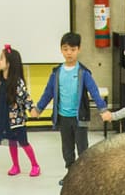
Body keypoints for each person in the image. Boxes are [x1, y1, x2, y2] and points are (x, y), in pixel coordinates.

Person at [32, 32, 106, 175]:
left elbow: (94, 92)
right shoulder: (57, 72)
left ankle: (84, 176)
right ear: (61, 50)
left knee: (82, 148)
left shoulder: (83, 72)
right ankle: (71, 175)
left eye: (72, 49)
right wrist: (39, 108)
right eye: (65, 49)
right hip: (63, 118)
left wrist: (103, 109)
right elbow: (48, 92)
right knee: (67, 149)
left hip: (79, 118)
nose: (69, 53)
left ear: (79, 49)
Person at [0, 45, 38, 176]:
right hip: (5, 118)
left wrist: (32, 109)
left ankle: (35, 165)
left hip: (17, 120)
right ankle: (15, 165)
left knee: (23, 142)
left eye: (1, 59)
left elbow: (25, 97)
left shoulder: (17, 82)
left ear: (9, 64)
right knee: (11, 142)